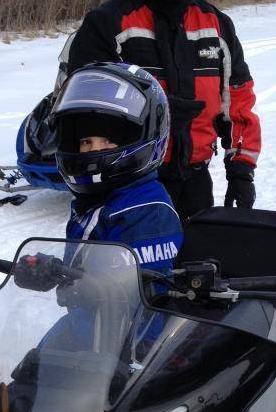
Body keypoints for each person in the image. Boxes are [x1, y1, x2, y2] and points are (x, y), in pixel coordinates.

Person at [64, 0, 261, 220]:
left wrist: (241, 168)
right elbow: (85, 112)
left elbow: (238, 100)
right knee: (134, 269)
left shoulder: (216, 25)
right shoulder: (109, 23)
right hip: (129, 184)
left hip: (196, 178)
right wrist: (158, 112)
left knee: (199, 265)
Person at [49, 61, 184, 276]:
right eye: (86, 142)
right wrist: (52, 271)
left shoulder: (147, 211)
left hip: (133, 309)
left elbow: (142, 293)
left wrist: (77, 285)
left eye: (107, 141)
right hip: (91, 308)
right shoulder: (95, 200)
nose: (94, 150)